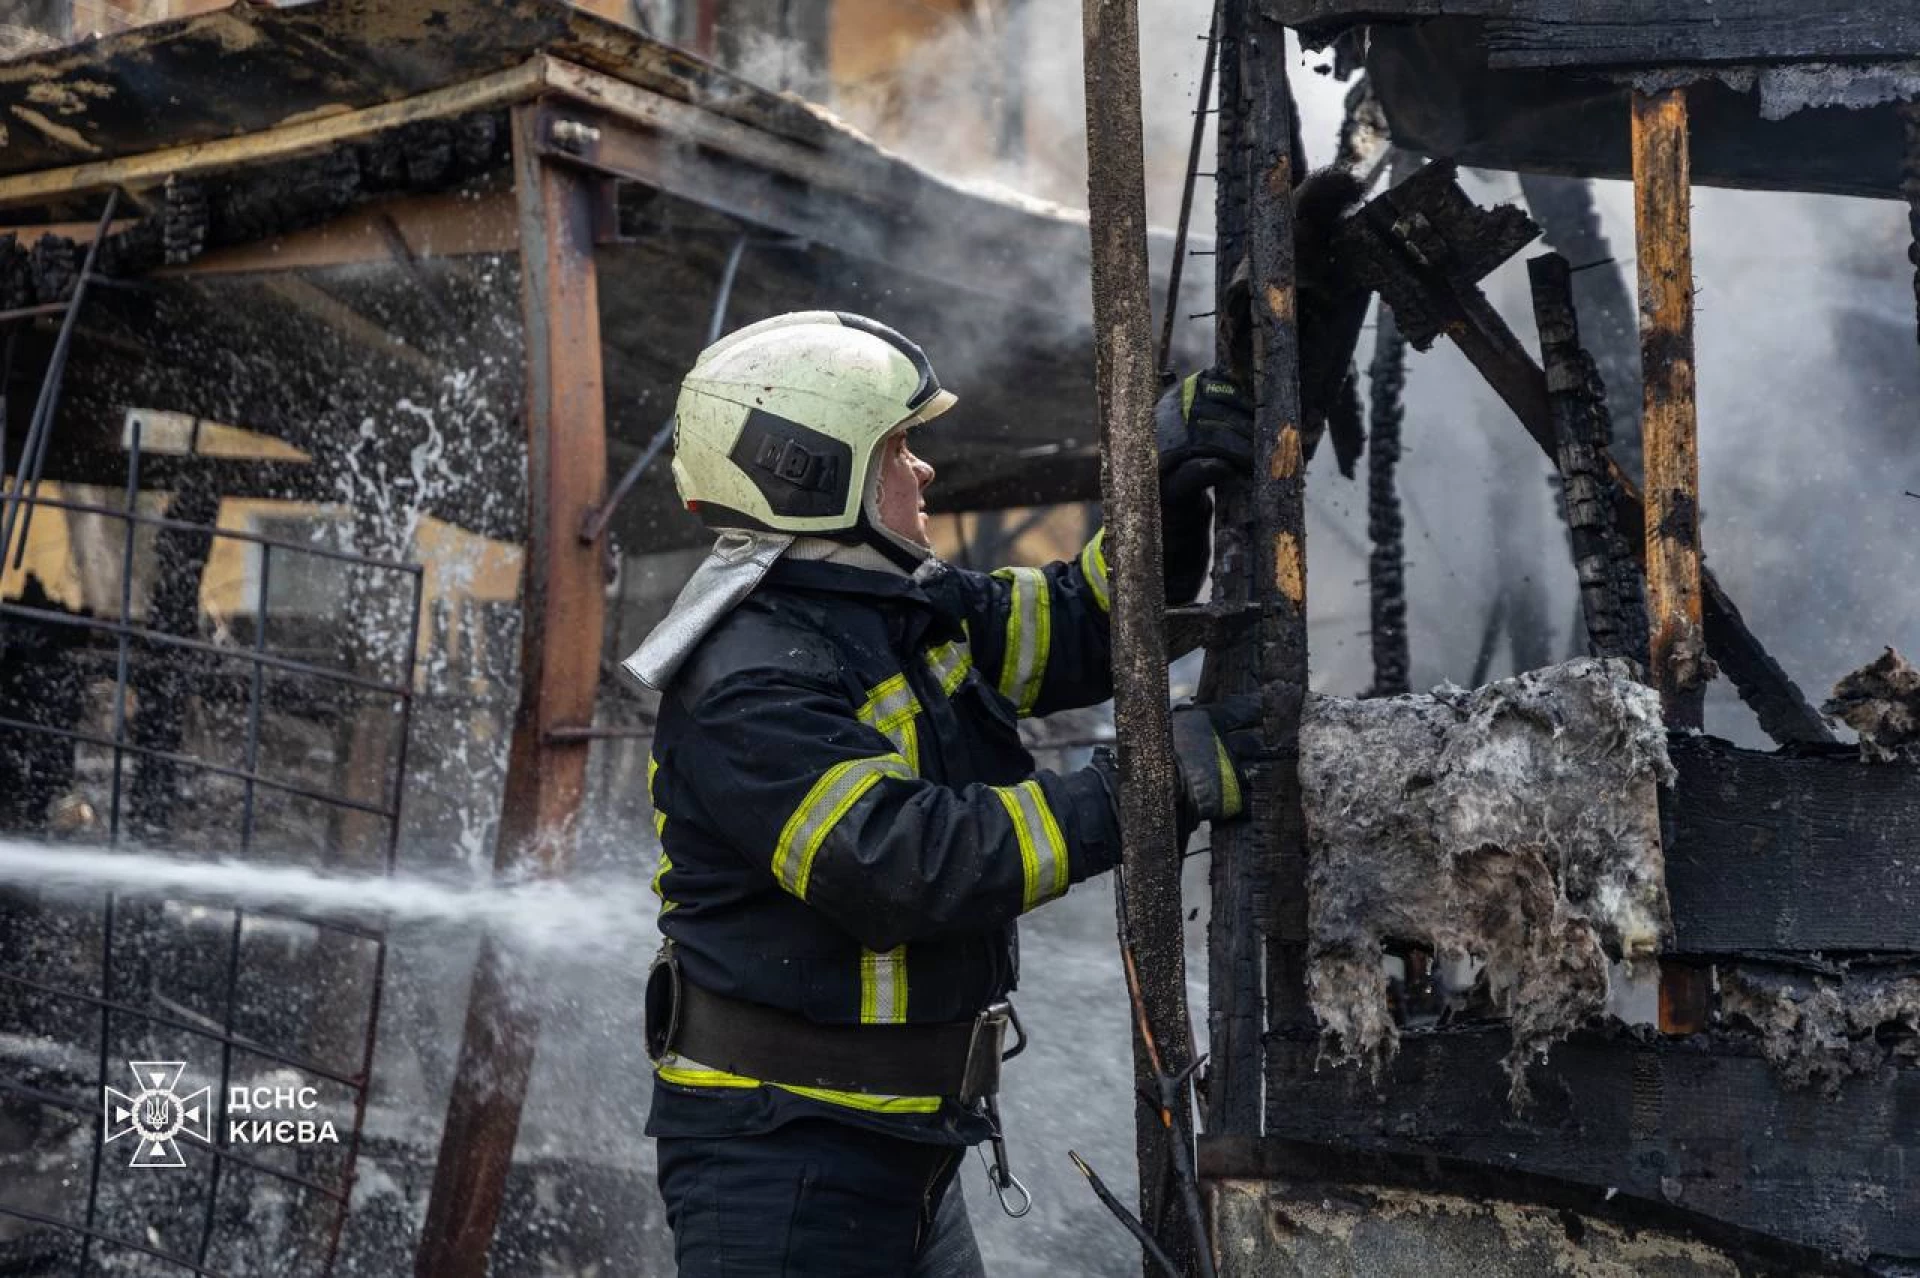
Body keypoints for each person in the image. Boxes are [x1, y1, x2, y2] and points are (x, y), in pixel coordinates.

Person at [625, 311, 1259, 1277]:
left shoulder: (898, 606)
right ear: (813, 469)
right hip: (785, 1163)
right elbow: (901, 865)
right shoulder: (748, 679)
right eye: (897, 446)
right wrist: (1141, 791)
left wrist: (1162, 510)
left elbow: (1080, 630)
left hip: (902, 1145)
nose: (923, 471)